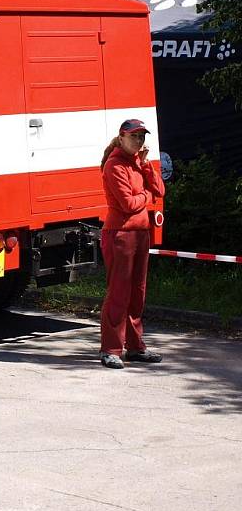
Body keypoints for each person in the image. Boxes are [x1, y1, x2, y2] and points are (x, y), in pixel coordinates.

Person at [98, 119, 165, 369]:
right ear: (122, 137)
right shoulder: (114, 165)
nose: (139, 141)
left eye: (142, 137)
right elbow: (128, 204)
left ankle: (135, 347)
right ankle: (111, 349)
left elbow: (160, 189)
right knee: (119, 293)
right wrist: (146, 196)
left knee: (138, 291)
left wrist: (147, 165)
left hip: (140, 233)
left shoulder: (138, 162)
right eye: (134, 136)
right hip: (120, 235)